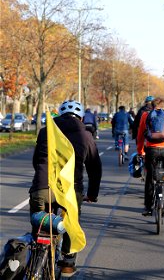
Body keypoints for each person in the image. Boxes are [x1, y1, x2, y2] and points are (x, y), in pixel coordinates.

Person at [29, 100, 102, 277]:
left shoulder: (46, 131)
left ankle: (35, 259)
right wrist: (92, 194)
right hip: (70, 191)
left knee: (39, 224)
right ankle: (68, 263)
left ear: (59, 115)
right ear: (81, 117)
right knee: (70, 222)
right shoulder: (86, 135)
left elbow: (36, 160)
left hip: (42, 187)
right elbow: (95, 169)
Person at [137, 97, 164, 216]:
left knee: (150, 177)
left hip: (151, 150)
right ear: (163, 105)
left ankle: (148, 206)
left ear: (151, 105)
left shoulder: (146, 115)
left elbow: (140, 135)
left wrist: (140, 151)